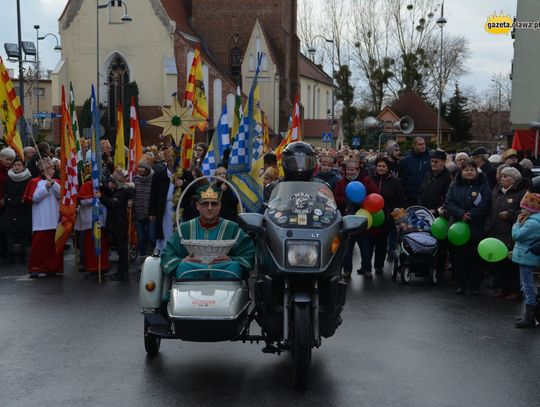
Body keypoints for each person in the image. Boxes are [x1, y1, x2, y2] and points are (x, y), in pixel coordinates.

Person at [161, 185, 255, 279]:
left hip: (222, 269)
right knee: (183, 267)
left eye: (214, 204)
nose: (209, 208)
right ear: (197, 206)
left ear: (219, 206)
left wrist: (231, 259)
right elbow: (168, 255)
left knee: (233, 267)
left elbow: (247, 255)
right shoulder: (185, 228)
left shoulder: (233, 228)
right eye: (205, 204)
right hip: (193, 269)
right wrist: (182, 261)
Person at [444, 159, 492, 295]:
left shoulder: (483, 185)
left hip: (476, 226)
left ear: (476, 171)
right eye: (466, 169)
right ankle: (461, 284)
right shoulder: (454, 185)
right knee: (460, 257)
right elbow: (448, 202)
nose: (469, 172)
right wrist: (461, 214)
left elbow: (486, 203)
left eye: (472, 169)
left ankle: (475, 285)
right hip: (458, 227)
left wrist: (471, 215)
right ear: (462, 171)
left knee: (476, 258)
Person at [485, 167, 528, 299]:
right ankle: (503, 288)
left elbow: (526, 212)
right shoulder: (497, 191)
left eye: (506, 177)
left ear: (514, 179)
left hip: (510, 233)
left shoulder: (522, 192)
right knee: (499, 264)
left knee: (511, 264)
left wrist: (510, 214)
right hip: (495, 231)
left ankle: (515, 291)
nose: (502, 179)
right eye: (502, 176)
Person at [334, 158, 379, 278]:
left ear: (358, 170)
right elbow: (335, 198)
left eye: (352, 170)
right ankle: (347, 270)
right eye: (348, 170)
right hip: (347, 221)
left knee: (365, 248)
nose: (350, 172)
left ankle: (367, 269)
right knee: (347, 249)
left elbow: (374, 195)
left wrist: (363, 201)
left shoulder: (366, 181)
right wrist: (346, 200)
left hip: (363, 220)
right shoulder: (341, 182)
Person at [23, 157, 63, 278]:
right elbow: (34, 198)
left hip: (54, 218)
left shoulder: (56, 181)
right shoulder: (35, 182)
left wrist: (53, 184)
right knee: (38, 246)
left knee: (52, 246)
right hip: (41, 219)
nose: (53, 171)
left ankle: (52, 267)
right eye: (51, 169)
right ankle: (35, 267)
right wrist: (46, 186)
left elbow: (60, 194)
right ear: (44, 170)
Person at [367, 156, 405, 274]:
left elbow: (400, 199)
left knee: (381, 244)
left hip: (386, 217)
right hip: (370, 216)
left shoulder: (394, 182)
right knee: (368, 244)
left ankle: (379, 266)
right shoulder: (370, 179)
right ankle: (366, 267)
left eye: (384, 166)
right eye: (379, 166)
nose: (381, 168)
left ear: (388, 168)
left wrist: (396, 214)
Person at [418, 150, 452, 280]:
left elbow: (448, 197)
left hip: (439, 215)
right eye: (432, 161)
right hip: (425, 213)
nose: (433, 164)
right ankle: (424, 268)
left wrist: (437, 209)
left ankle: (438, 270)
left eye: (436, 161)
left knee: (440, 244)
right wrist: (420, 205)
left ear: (443, 162)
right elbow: (421, 192)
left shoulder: (447, 177)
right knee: (425, 241)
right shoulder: (428, 174)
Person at [97, 168, 135, 281]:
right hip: (117, 224)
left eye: (112, 181)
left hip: (119, 225)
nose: (110, 183)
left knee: (122, 250)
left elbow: (112, 203)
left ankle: (121, 273)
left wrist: (100, 197)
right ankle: (122, 271)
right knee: (121, 249)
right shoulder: (120, 190)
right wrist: (101, 185)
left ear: (116, 183)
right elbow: (110, 192)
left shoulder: (122, 193)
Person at [75, 161, 110, 277]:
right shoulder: (87, 185)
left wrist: (97, 198)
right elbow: (82, 200)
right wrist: (93, 199)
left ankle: (100, 267)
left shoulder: (100, 184)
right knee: (91, 246)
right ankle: (94, 267)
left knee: (99, 244)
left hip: (99, 219)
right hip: (90, 220)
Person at [511, 191, 540, 328]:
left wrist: (516, 224)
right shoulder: (533, 220)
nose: (521, 210)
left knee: (527, 285)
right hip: (526, 255)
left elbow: (518, 235)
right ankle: (529, 315)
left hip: (527, 256)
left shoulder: (533, 223)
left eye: (524, 208)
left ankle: (529, 317)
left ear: (531, 209)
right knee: (526, 284)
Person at [2, 157, 32, 264]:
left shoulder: (28, 178)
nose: (17, 167)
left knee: (23, 232)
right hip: (10, 209)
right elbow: (5, 191)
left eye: (19, 165)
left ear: (23, 167)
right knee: (10, 232)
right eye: (15, 165)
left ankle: (23, 255)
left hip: (24, 208)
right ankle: (10, 255)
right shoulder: (8, 177)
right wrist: (7, 198)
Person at [399, 136, 431, 207]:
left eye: (424, 144)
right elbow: (403, 179)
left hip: (426, 197)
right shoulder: (406, 160)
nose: (423, 146)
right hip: (411, 197)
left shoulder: (431, 158)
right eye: (420, 145)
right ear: (414, 145)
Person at [133, 160, 155, 256]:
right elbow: (131, 194)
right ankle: (142, 258)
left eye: (143, 167)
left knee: (152, 237)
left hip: (150, 214)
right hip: (138, 213)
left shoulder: (154, 180)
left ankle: (155, 256)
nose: (140, 169)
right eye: (139, 167)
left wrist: (154, 212)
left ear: (148, 169)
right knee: (141, 238)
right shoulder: (135, 180)